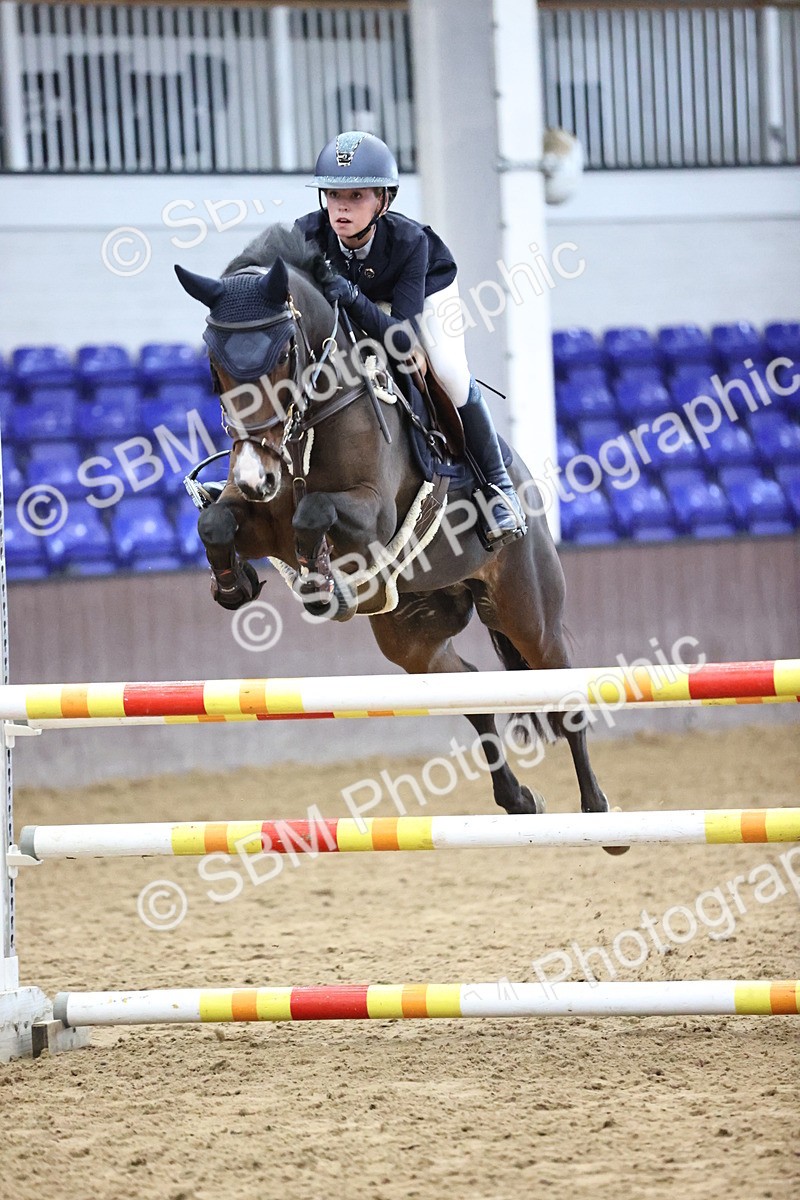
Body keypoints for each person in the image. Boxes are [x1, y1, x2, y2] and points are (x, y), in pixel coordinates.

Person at [294, 129, 526, 547]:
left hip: (421, 295)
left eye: (357, 196)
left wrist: (352, 297)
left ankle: (499, 488)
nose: (341, 207)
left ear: (384, 200)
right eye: (333, 195)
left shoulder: (411, 243)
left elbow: (401, 339)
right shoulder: (307, 235)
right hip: (357, 302)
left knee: (449, 370)